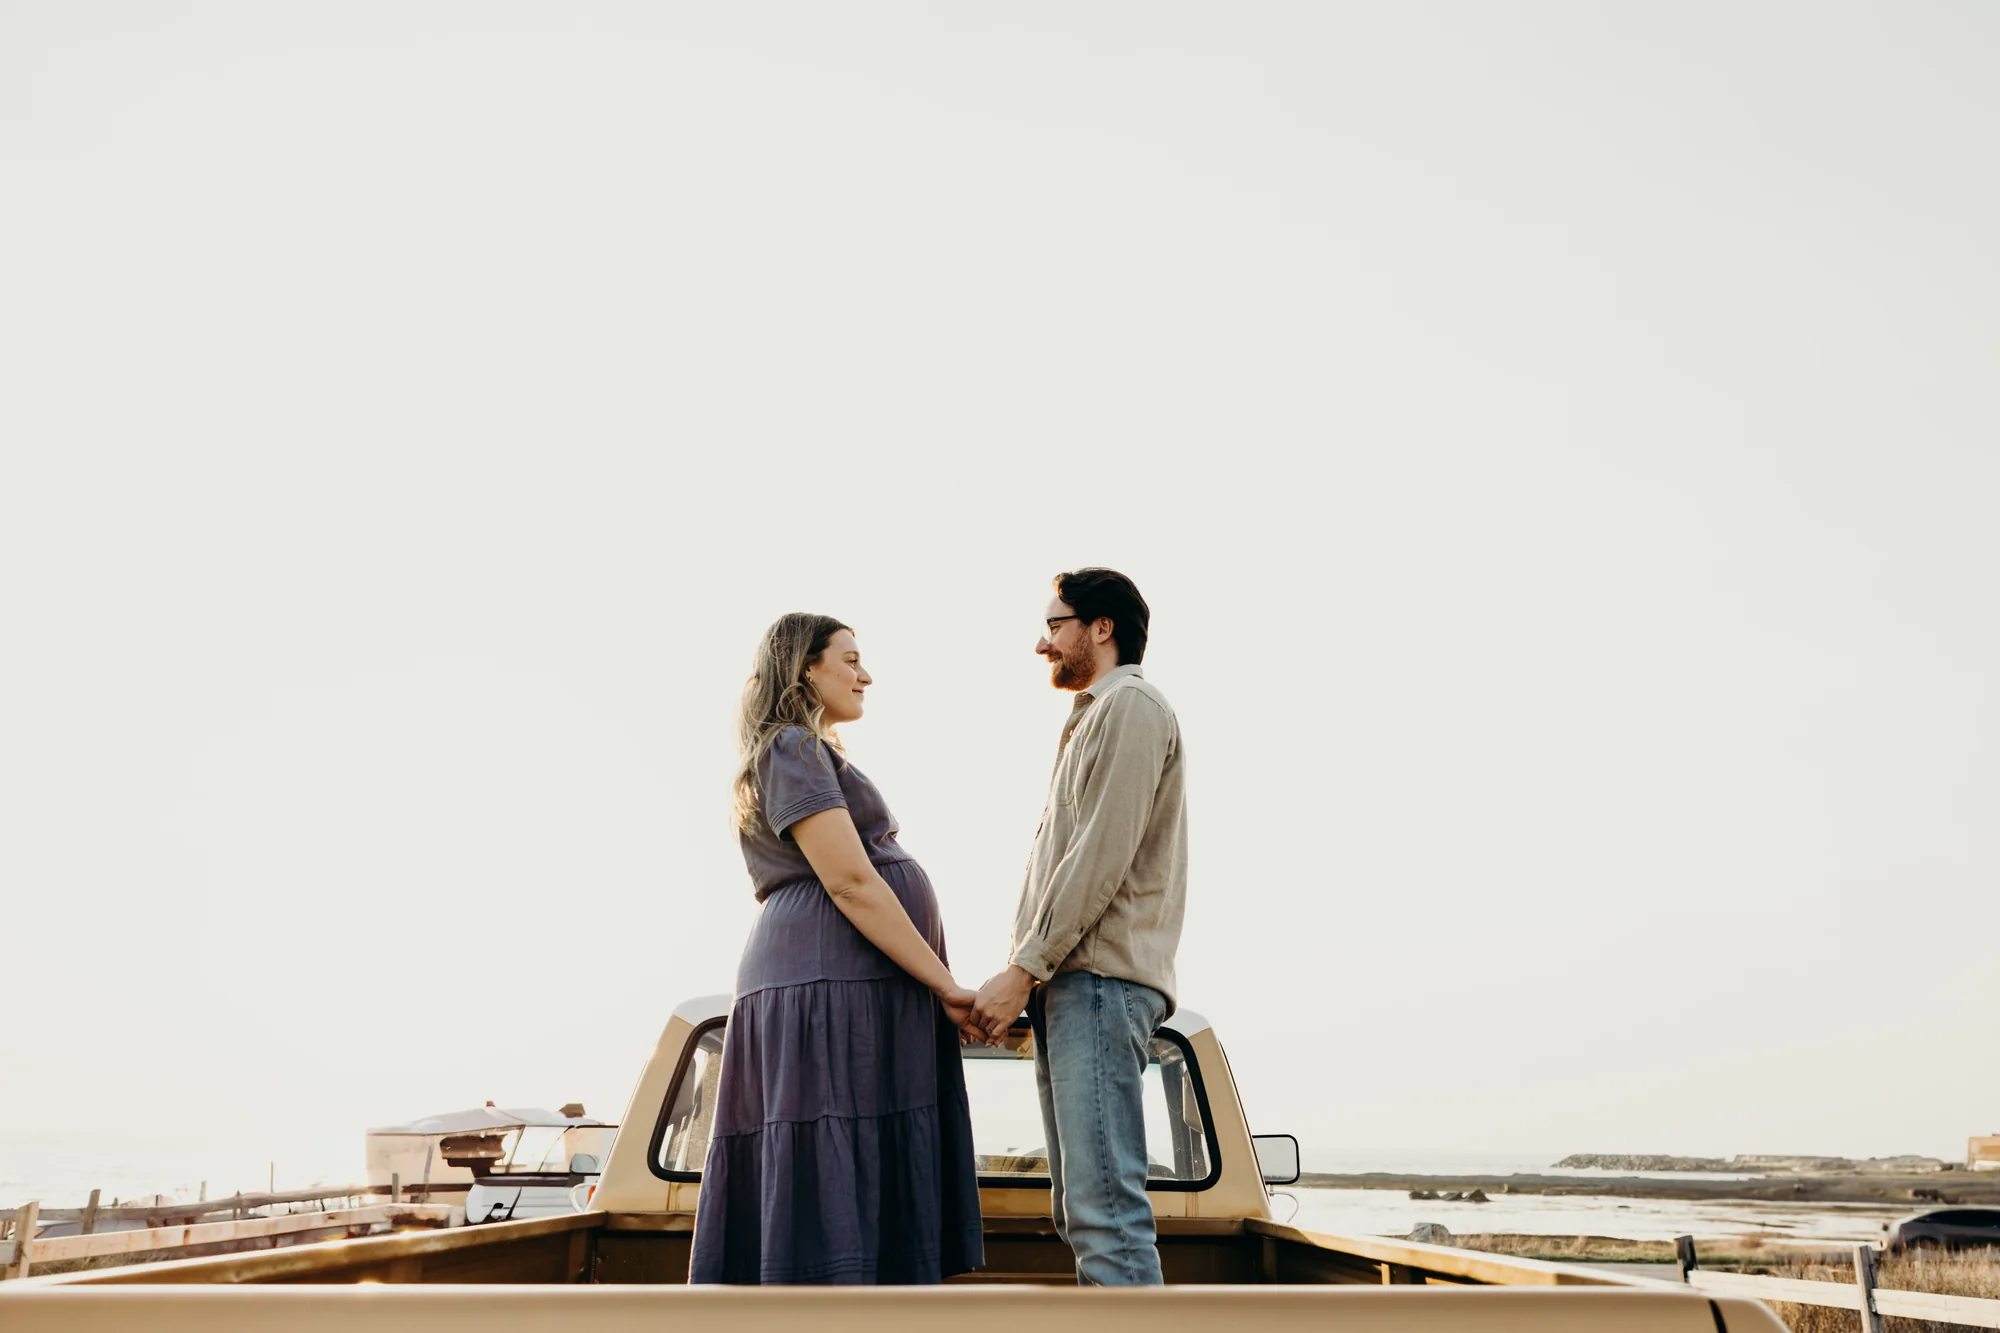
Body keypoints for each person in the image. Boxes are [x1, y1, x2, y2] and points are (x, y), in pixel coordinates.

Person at [689, 613, 984, 1285]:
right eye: (850, 659)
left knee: (851, 1146)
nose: (865, 674)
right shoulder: (791, 746)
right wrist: (945, 985)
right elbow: (851, 880)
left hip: (851, 976)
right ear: (806, 669)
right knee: (832, 1139)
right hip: (829, 976)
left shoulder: (808, 751)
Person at [968, 568, 1189, 1286]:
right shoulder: (1096, 715)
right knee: (1081, 1207)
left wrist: (1024, 967)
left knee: (1104, 1212)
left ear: (1101, 627)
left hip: (1097, 981)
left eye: (1055, 623)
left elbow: (1099, 854)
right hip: (1074, 984)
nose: (1043, 642)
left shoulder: (1130, 707)